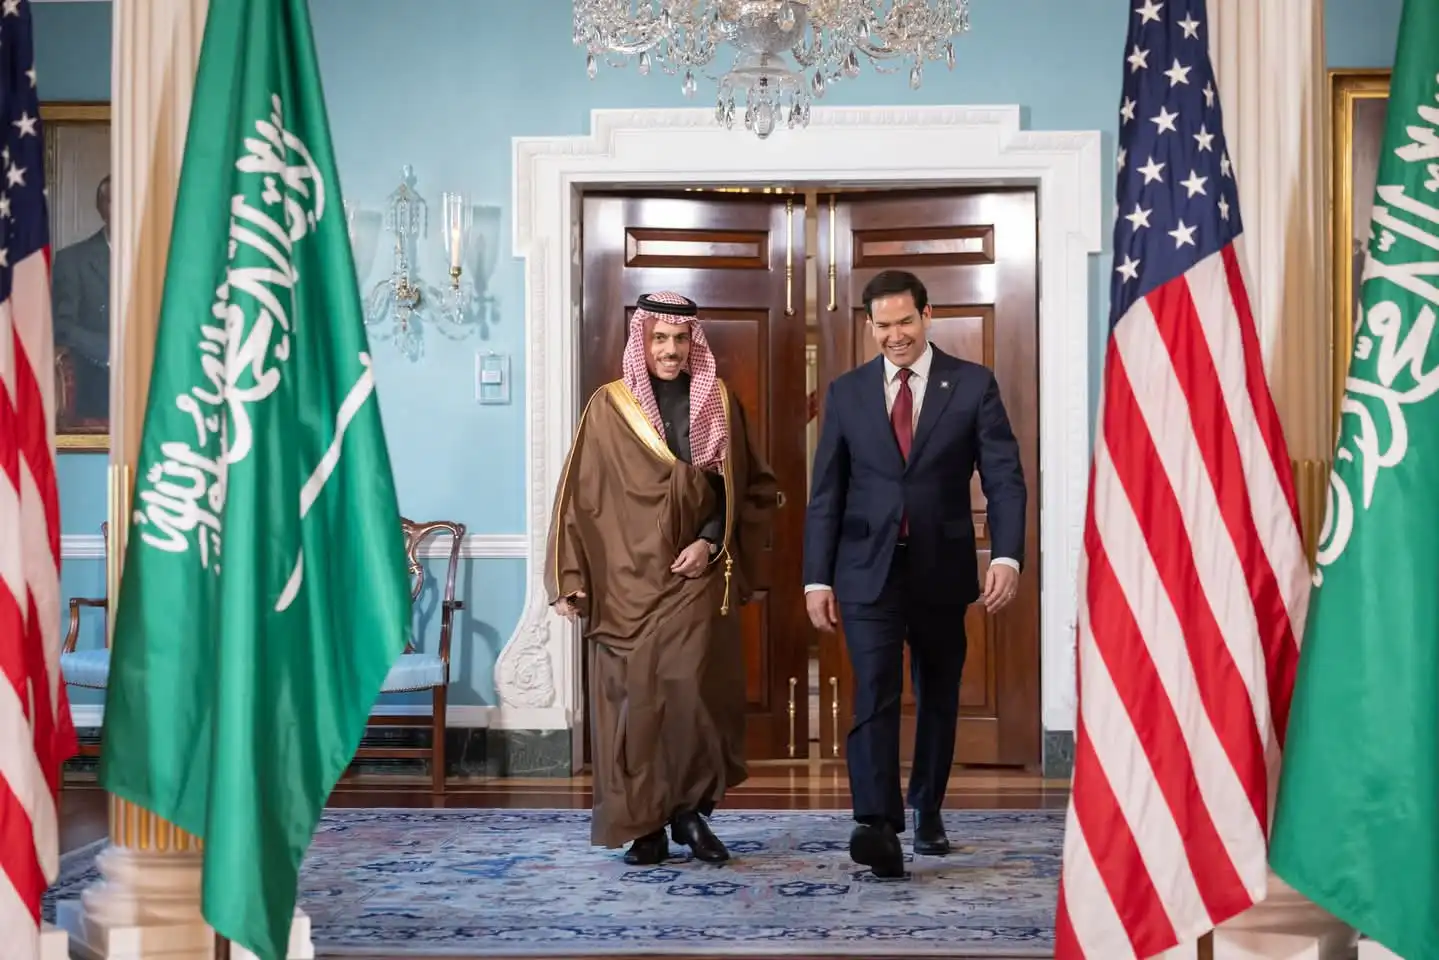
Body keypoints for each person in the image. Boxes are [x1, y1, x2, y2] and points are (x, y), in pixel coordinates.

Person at [802, 269, 1026, 878]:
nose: (895, 335)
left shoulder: (973, 384)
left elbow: (1004, 478)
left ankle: (927, 804)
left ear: (928, 316)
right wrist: (816, 578)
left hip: (941, 566)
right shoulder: (847, 393)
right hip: (864, 570)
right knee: (874, 688)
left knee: (938, 692)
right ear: (869, 326)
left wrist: (1006, 556)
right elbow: (826, 493)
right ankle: (876, 823)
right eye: (883, 325)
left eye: (905, 321)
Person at [546, 290, 777, 866]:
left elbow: (741, 487)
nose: (670, 350)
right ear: (642, 341)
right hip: (623, 582)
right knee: (634, 706)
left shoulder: (717, 401)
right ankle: (642, 823)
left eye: (679, 339)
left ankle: (689, 815)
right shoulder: (609, 406)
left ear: (692, 343)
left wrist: (709, 542)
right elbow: (579, 496)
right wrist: (572, 575)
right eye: (659, 339)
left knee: (692, 695)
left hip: (694, 574)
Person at [51, 174, 112, 426]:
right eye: (114, 202)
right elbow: (62, 326)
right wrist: (109, 350)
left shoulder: (162, 256)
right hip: (98, 377)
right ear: (101, 208)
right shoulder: (73, 260)